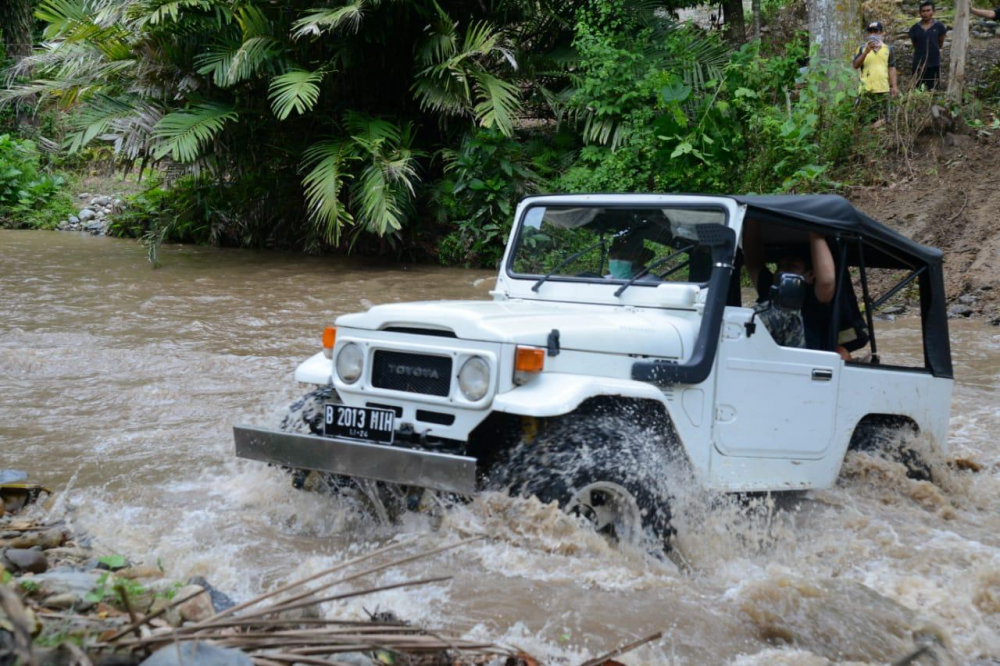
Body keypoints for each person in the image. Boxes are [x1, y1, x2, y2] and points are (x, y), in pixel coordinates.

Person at [852, 21, 899, 122]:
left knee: (884, 119)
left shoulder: (888, 49)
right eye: (870, 32)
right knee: (863, 120)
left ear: (881, 33)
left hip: (883, 89)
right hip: (866, 90)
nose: (873, 34)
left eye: (876, 31)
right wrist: (866, 52)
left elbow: (891, 68)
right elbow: (855, 65)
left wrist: (894, 86)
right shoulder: (861, 49)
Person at [909, 3, 948, 90]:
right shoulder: (914, 28)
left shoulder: (939, 27)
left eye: (928, 10)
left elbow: (940, 43)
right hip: (918, 64)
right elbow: (915, 44)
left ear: (933, 12)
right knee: (917, 89)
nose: (925, 13)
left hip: (934, 63)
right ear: (920, 13)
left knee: (933, 89)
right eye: (923, 11)